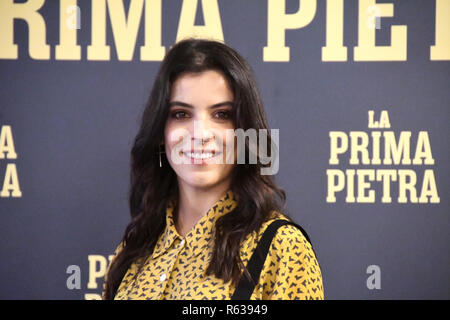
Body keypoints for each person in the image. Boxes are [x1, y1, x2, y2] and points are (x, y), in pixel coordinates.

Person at [102, 38, 324, 300]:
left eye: (222, 115)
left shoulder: (282, 248)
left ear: (245, 133)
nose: (200, 134)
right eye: (181, 114)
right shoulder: (134, 249)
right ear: (161, 132)